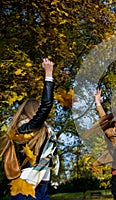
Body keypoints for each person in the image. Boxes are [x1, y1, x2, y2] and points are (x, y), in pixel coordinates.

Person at [0, 59, 59, 200]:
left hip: (41, 184)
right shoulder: (25, 129)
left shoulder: (42, 130)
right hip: (26, 186)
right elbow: (46, 105)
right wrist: (48, 74)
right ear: (34, 112)